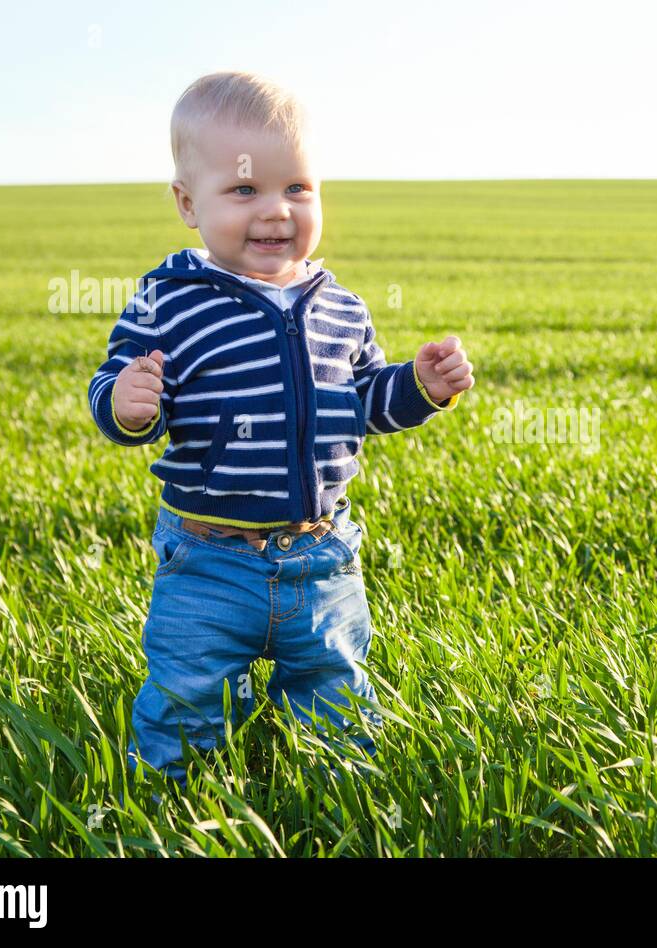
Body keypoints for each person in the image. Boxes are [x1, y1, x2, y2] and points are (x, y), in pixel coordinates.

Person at [86, 71, 474, 788]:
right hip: (207, 561)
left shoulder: (342, 308)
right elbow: (112, 389)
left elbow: (364, 402)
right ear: (187, 204)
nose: (277, 212)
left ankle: (344, 801)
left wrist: (419, 387)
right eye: (244, 191)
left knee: (338, 697)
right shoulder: (169, 301)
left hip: (322, 558)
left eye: (298, 188)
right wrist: (127, 403)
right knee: (185, 701)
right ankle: (171, 803)